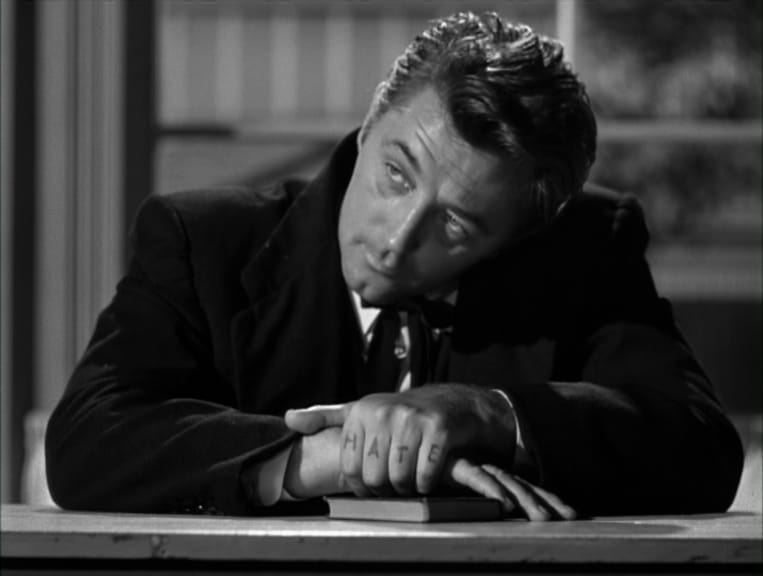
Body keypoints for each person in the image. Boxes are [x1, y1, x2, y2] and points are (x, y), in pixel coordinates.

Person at [45, 12, 743, 519]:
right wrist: (326, 456)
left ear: (516, 237)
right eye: (396, 175)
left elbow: (699, 447)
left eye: (455, 224)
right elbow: (88, 443)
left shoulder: (583, 249)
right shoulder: (203, 241)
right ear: (368, 126)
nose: (397, 239)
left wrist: (489, 413)